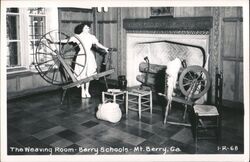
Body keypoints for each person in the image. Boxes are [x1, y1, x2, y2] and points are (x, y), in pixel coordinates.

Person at [69, 23, 109, 98]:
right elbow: (67, 40)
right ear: (82, 29)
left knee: (89, 74)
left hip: (89, 56)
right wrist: (55, 40)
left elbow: (98, 44)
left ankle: (87, 90)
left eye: (88, 28)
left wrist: (105, 48)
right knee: (82, 74)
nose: (88, 29)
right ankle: (82, 91)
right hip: (81, 56)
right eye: (86, 28)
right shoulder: (78, 37)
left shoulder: (91, 37)